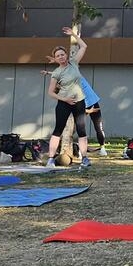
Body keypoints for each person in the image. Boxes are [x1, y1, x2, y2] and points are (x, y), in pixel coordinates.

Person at [43, 28, 91, 170]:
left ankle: (85, 158)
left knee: (82, 130)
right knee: (58, 130)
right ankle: (51, 159)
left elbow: (84, 46)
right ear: (55, 59)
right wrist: (65, 99)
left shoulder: (74, 63)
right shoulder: (56, 73)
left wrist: (74, 35)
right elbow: (51, 92)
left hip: (79, 101)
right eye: (58, 56)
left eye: (63, 54)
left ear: (66, 55)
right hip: (64, 103)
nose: (61, 57)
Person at [76, 76, 109, 157]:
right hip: (85, 105)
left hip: (91, 104)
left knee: (98, 127)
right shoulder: (71, 83)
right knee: (80, 128)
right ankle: (80, 151)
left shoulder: (76, 76)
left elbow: (61, 73)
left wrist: (49, 73)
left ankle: (102, 148)